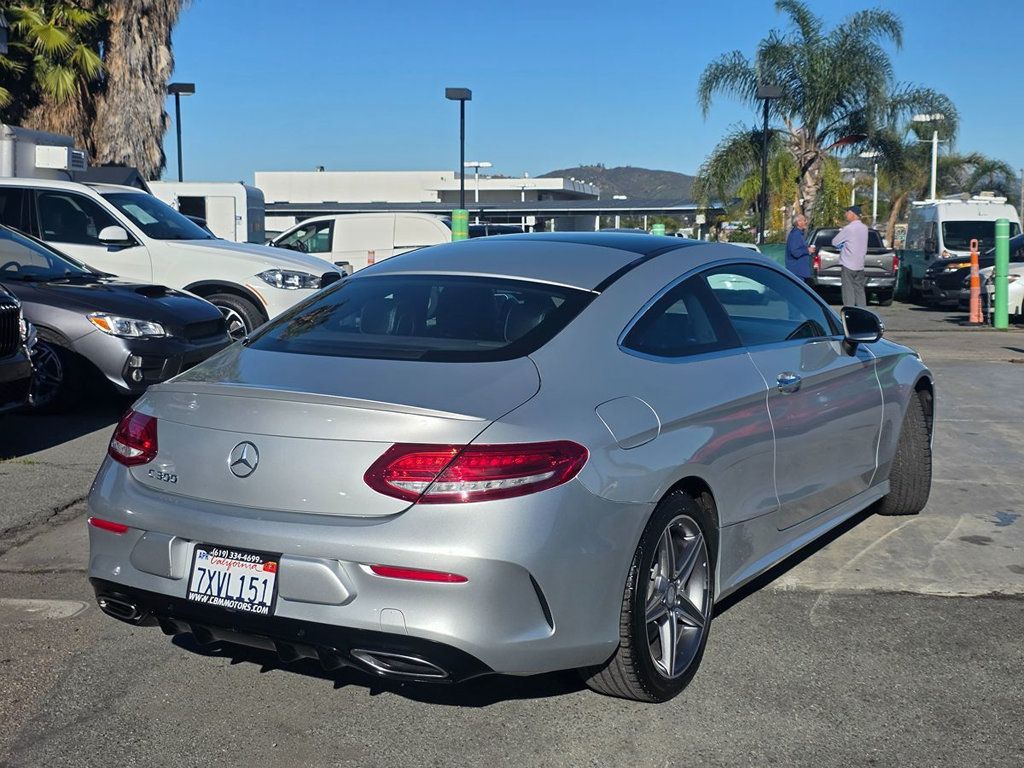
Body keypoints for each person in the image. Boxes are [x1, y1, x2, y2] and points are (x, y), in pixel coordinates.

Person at [832, 205, 869, 307]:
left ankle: (849, 312)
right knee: (859, 290)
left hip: (848, 264)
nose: (846, 215)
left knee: (848, 292)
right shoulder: (865, 228)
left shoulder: (849, 228)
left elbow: (834, 242)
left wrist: (842, 246)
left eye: (847, 213)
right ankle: (863, 312)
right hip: (860, 265)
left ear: (853, 214)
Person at [785, 214, 813, 286]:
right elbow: (795, 252)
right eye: (804, 220)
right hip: (797, 272)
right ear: (799, 222)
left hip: (799, 271)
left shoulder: (799, 234)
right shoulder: (796, 234)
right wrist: (807, 250)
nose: (806, 222)